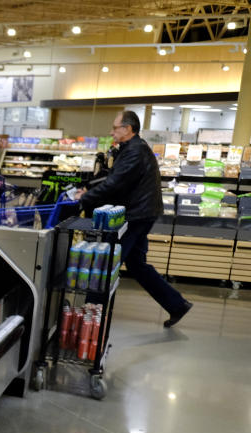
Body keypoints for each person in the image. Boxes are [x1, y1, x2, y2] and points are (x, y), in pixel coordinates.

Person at [75, 110, 192, 327]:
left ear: (128, 129)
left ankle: (91, 317)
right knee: (137, 264)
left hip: (135, 215)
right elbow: (114, 179)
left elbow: (116, 183)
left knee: (106, 261)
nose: (111, 132)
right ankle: (177, 305)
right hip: (142, 212)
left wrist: (85, 198)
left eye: (115, 128)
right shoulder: (132, 149)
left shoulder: (135, 151)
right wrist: (91, 189)